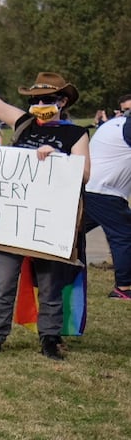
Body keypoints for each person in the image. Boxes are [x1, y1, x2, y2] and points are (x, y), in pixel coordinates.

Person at [0, 42, 90, 360]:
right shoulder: (22, 124)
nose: (40, 104)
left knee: (50, 284)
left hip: (51, 220)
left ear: (62, 101)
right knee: (3, 281)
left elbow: (85, 174)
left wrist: (58, 158)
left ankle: (50, 338)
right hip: (13, 219)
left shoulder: (75, 135)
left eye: (48, 99)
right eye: (35, 99)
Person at [84, 93, 131, 300]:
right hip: (105, 192)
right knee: (124, 236)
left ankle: (36, 267)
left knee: (70, 232)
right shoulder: (126, 127)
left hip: (92, 188)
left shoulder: (114, 124)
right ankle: (124, 287)